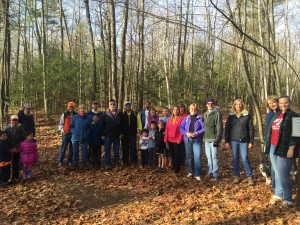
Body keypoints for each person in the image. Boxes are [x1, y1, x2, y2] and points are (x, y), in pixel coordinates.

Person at [265, 96, 299, 206]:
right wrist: (267, 145)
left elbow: (296, 134)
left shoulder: (295, 116)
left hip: (285, 148)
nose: (283, 105)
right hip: (273, 147)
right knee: (277, 172)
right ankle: (279, 194)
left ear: (289, 103)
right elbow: (271, 131)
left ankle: (288, 199)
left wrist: (291, 148)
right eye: (281, 103)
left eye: (285, 103)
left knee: (284, 174)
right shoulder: (276, 115)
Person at [225, 99, 254, 186]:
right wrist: (227, 141)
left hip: (244, 141)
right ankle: (236, 176)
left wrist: (251, 141)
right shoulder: (231, 116)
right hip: (234, 140)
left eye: (240, 104)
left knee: (245, 158)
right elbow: (227, 129)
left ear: (242, 105)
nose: (238, 106)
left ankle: (250, 177)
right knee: (235, 158)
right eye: (236, 104)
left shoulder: (247, 116)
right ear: (234, 106)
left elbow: (251, 129)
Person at [180, 103, 205, 181]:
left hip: (197, 140)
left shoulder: (200, 118)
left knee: (197, 157)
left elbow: (204, 128)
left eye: (195, 109)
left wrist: (196, 133)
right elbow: (181, 128)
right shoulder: (186, 118)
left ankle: (198, 173)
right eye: (191, 109)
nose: (193, 110)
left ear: (197, 110)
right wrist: (186, 133)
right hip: (187, 139)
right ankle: (191, 171)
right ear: (189, 109)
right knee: (189, 156)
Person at [204, 98, 223, 181]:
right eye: (208, 103)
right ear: (206, 105)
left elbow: (219, 126)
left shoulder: (217, 113)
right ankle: (210, 171)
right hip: (206, 139)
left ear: (214, 104)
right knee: (208, 156)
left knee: (214, 156)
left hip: (214, 138)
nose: (210, 105)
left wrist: (218, 139)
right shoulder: (205, 114)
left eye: (212, 103)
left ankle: (215, 174)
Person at [265, 95, 280, 190]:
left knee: (278, 167)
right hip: (272, 143)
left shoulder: (282, 113)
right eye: (270, 103)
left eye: (273, 102)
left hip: (282, 144)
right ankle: (274, 185)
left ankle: (278, 186)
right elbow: (267, 130)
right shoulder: (270, 115)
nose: (272, 105)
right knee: (274, 166)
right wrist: (266, 143)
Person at [102, 99, 123, 169]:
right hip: (108, 136)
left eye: (114, 104)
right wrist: (102, 134)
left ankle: (116, 163)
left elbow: (123, 125)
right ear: (109, 105)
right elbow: (102, 125)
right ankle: (107, 164)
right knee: (107, 150)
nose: (112, 105)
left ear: (116, 105)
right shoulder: (105, 114)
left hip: (117, 136)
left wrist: (122, 133)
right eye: (111, 104)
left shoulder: (120, 113)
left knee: (116, 151)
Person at [70, 104, 91, 170]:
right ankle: (75, 165)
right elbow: (71, 126)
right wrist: (73, 131)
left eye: (83, 109)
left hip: (84, 137)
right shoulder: (75, 117)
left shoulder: (88, 118)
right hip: (75, 137)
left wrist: (87, 133)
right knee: (75, 151)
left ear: (85, 110)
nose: (82, 110)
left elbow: (90, 128)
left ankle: (84, 165)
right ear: (78, 110)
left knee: (84, 152)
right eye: (80, 109)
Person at [5, 115, 25, 180]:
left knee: (16, 162)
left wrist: (16, 147)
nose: (14, 121)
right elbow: (5, 138)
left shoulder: (21, 128)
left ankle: (15, 176)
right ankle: (7, 177)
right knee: (7, 162)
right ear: (10, 120)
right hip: (9, 148)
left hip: (17, 148)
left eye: (15, 120)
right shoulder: (7, 128)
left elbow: (22, 138)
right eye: (13, 120)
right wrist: (10, 147)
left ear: (17, 121)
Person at [164, 106, 183, 174]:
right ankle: (174, 166)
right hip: (170, 140)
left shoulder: (181, 119)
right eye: (174, 109)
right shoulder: (170, 119)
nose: (175, 110)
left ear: (179, 111)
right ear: (172, 111)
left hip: (177, 140)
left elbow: (182, 130)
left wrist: (180, 139)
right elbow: (167, 129)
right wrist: (165, 138)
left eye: (177, 109)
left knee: (177, 154)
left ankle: (177, 169)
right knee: (172, 154)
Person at [58, 102, 77, 167]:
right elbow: (60, 124)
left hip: (73, 134)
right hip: (66, 134)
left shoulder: (76, 115)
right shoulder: (64, 114)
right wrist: (62, 130)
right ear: (67, 107)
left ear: (74, 107)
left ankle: (70, 161)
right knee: (63, 148)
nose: (71, 108)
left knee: (72, 148)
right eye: (70, 106)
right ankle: (60, 161)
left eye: (72, 106)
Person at [121, 101, 138, 166]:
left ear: (130, 106)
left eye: (129, 105)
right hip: (124, 134)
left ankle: (133, 161)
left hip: (133, 134)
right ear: (125, 106)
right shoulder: (122, 114)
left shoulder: (135, 114)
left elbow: (138, 123)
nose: (127, 106)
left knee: (133, 148)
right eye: (126, 105)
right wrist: (121, 133)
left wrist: (139, 131)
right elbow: (120, 124)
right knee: (125, 148)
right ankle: (125, 161)